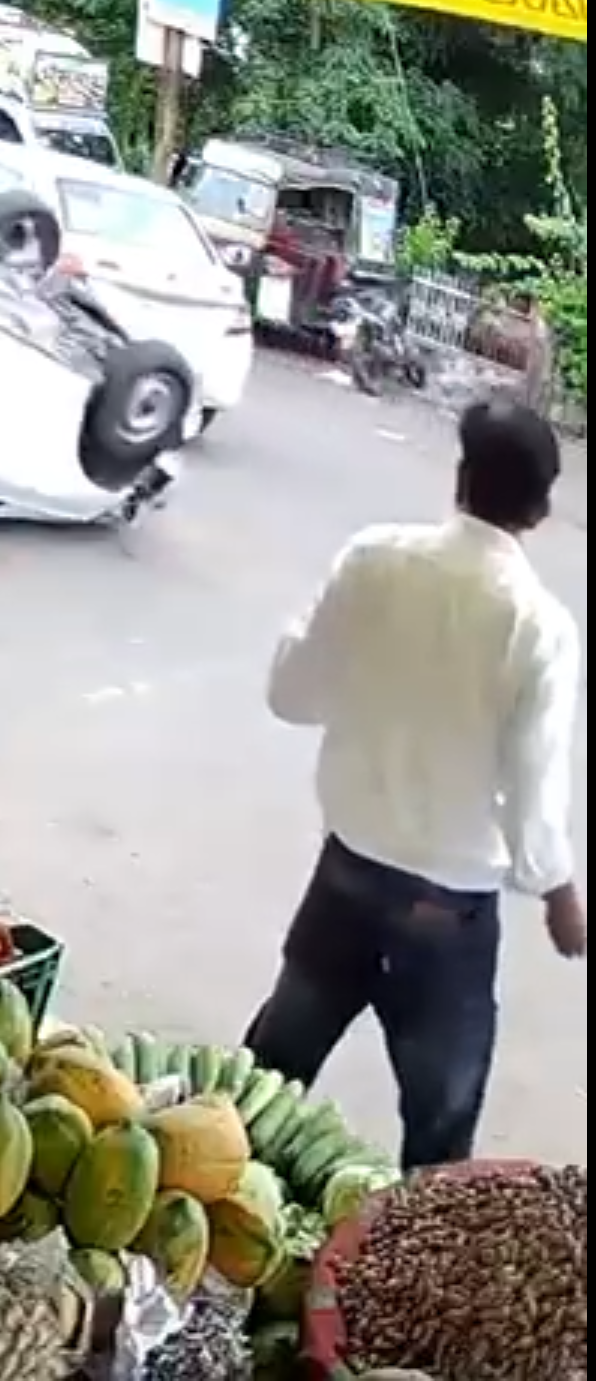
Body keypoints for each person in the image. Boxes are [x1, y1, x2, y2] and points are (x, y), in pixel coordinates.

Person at [241, 400, 583, 1171]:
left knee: (265, 1082)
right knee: (439, 1132)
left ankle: (206, 1228)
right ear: (540, 510)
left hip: (345, 877)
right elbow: (535, 784)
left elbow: (292, 696)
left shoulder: (373, 560)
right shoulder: (539, 626)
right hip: (448, 916)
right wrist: (558, 892)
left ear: (460, 478)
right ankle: (406, 1282)